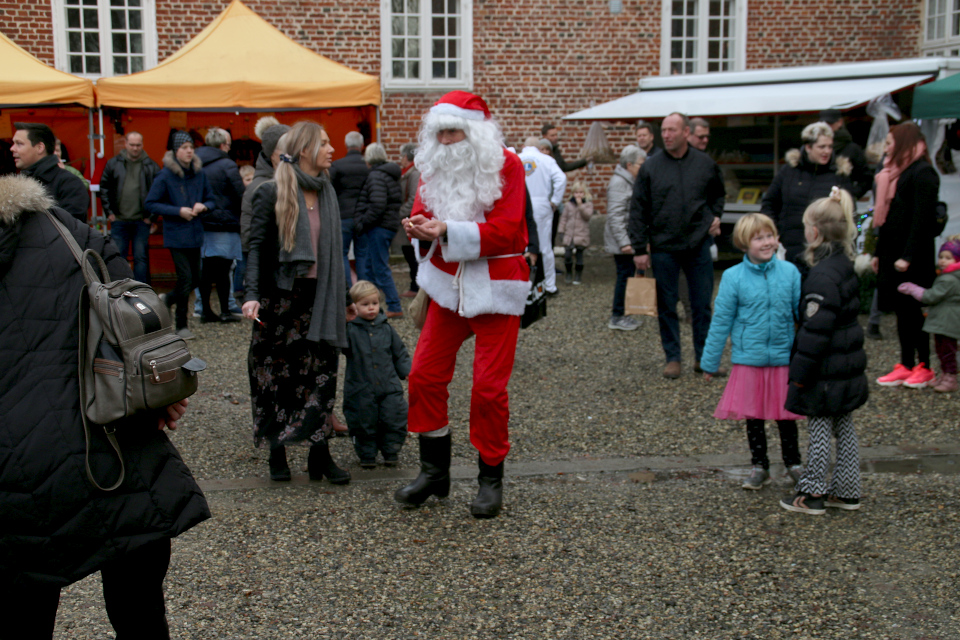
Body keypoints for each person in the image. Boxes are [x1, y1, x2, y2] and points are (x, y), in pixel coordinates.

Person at [0, 173, 210, 637]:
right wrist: (158, 396)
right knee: (140, 612)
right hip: (112, 437)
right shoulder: (59, 226)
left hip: (17, 471)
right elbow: (135, 307)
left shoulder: (58, 224)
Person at [395, 91, 530, 519]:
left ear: (475, 131)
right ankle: (435, 473)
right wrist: (417, 226)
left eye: (455, 130)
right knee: (422, 377)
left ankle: (491, 479)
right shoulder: (432, 165)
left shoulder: (507, 165)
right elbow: (422, 211)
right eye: (441, 132)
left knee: (488, 390)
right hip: (448, 288)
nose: (448, 140)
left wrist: (446, 230)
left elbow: (508, 230)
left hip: (496, 287)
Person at [243, 120, 353, 484]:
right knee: (276, 378)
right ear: (304, 150)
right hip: (281, 300)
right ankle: (277, 451)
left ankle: (320, 455)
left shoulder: (327, 191)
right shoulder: (271, 191)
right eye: (324, 143)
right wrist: (252, 295)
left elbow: (335, 253)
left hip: (321, 299)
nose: (331, 149)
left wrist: (346, 297)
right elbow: (256, 248)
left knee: (321, 377)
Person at [700, 214, 804, 489]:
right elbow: (720, 322)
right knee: (754, 417)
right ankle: (760, 466)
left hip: (783, 357)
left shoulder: (790, 272)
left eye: (770, 235)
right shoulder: (733, 277)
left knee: (786, 415)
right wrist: (709, 363)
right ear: (744, 244)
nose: (767, 242)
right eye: (759, 238)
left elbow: (802, 316)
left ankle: (794, 463)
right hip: (749, 359)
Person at [781, 188, 868, 515]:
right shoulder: (843, 266)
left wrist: (799, 376)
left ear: (814, 232)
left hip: (826, 372)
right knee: (844, 428)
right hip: (846, 367)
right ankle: (847, 490)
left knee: (818, 428)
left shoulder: (821, 277)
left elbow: (815, 333)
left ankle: (812, 492)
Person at [627, 112, 725, 379]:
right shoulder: (651, 167)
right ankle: (673, 357)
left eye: (672, 130)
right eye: (664, 130)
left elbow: (718, 194)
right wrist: (639, 249)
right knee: (667, 304)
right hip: (664, 247)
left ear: (685, 133)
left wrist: (714, 216)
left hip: (697, 244)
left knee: (702, 303)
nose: (667, 135)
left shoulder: (705, 164)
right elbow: (638, 209)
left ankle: (704, 357)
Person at [872, 123, 940, 389]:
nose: (886, 148)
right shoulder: (893, 173)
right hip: (892, 252)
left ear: (903, 143)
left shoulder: (923, 173)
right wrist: (878, 252)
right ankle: (906, 363)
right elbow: (885, 218)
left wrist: (908, 256)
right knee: (902, 312)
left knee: (914, 311)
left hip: (913, 257)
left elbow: (921, 222)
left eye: (890, 143)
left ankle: (924, 365)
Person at [145, 131, 216, 340]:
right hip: (176, 234)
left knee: (195, 278)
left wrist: (204, 206)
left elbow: (211, 200)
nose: (189, 151)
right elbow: (151, 203)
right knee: (185, 278)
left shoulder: (199, 174)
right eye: (184, 148)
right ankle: (181, 325)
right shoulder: (165, 175)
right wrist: (178, 211)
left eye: (191, 148)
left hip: (195, 233)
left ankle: (167, 299)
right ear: (176, 151)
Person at [760, 122, 855, 266]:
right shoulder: (789, 171)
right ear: (808, 147)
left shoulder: (839, 174)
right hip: (789, 247)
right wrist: (772, 233)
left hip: (824, 251)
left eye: (830, 146)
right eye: (822, 147)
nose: (827, 151)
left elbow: (851, 212)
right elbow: (769, 203)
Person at [344, 280, 412, 468]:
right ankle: (367, 454)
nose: (371, 308)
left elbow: (399, 352)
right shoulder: (350, 330)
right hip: (360, 387)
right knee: (362, 420)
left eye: (374, 303)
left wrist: (406, 371)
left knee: (394, 417)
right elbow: (339, 346)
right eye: (365, 305)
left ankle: (391, 451)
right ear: (354, 306)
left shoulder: (386, 328)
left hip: (389, 384)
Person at [897, 237, 960, 393]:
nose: (943, 261)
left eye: (948, 258)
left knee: (947, 351)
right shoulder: (948, 277)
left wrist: (913, 289)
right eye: (941, 257)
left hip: (948, 321)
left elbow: (930, 296)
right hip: (944, 321)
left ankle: (950, 378)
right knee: (942, 350)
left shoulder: (949, 280)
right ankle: (945, 376)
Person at [196, 126, 245, 323]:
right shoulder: (227, 164)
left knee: (205, 270)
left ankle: (205, 310)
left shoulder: (193, 162)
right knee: (224, 270)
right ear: (224, 145)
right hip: (224, 223)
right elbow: (240, 193)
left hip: (200, 222)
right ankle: (225, 310)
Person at [99, 131, 161, 284]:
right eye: (132, 145)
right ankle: (120, 288)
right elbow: (104, 187)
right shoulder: (113, 163)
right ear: (125, 144)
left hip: (142, 220)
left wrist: (151, 217)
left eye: (138, 145)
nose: (135, 148)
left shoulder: (151, 165)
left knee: (141, 258)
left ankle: (141, 290)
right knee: (119, 258)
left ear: (143, 145)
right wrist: (109, 212)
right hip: (119, 219)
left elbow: (159, 192)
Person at [240, 117, 291, 297]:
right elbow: (251, 235)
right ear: (274, 154)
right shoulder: (261, 187)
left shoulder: (289, 181)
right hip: (270, 266)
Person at [353, 142, 404, 318]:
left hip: (379, 227)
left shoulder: (376, 176)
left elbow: (377, 204)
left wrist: (362, 222)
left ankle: (394, 306)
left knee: (380, 267)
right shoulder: (390, 175)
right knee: (372, 266)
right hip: (387, 226)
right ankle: (372, 303)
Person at [11, 122, 89, 222]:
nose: (12, 148)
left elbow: (70, 230)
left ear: (40, 148)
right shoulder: (18, 183)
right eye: (13, 143)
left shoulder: (69, 184)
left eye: (19, 144)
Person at [604, 144, 646, 330]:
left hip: (628, 239)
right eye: (640, 164)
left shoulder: (629, 181)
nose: (643, 168)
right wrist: (624, 243)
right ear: (629, 165)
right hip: (623, 241)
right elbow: (615, 215)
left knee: (628, 275)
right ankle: (617, 316)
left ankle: (623, 314)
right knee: (624, 276)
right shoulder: (620, 183)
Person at [519, 135, 566, 295]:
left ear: (524, 147)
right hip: (541, 204)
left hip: (520, 203)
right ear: (538, 147)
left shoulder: (516, 158)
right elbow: (561, 178)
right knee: (545, 246)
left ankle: (523, 284)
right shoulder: (546, 160)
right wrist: (555, 200)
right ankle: (549, 286)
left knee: (522, 244)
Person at [329, 131, 371, 289]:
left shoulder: (337, 166)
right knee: (362, 255)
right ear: (362, 146)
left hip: (343, 216)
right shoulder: (368, 166)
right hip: (363, 217)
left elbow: (330, 190)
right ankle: (365, 290)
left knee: (342, 254)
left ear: (346, 146)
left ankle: (348, 290)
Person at [820, 108, 872, 199]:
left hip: (842, 202)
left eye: (830, 123)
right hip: (818, 201)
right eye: (824, 123)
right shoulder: (813, 147)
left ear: (839, 122)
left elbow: (866, 178)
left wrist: (851, 194)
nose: (827, 127)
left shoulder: (852, 149)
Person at [397, 142, 421, 297]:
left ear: (406, 156)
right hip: (407, 218)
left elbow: (413, 198)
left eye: (401, 156)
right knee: (409, 253)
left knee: (412, 256)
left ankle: (416, 287)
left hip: (410, 220)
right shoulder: (408, 172)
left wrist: (400, 213)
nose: (400, 159)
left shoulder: (414, 173)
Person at [558, 180, 594, 285]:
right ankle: (569, 272)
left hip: (581, 234)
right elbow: (564, 218)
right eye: (576, 192)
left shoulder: (588, 204)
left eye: (581, 192)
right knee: (567, 255)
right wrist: (561, 231)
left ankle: (578, 275)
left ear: (585, 193)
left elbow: (587, 216)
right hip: (569, 235)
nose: (578, 195)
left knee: (579, 257)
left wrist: (580, 205)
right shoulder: (568, 205)